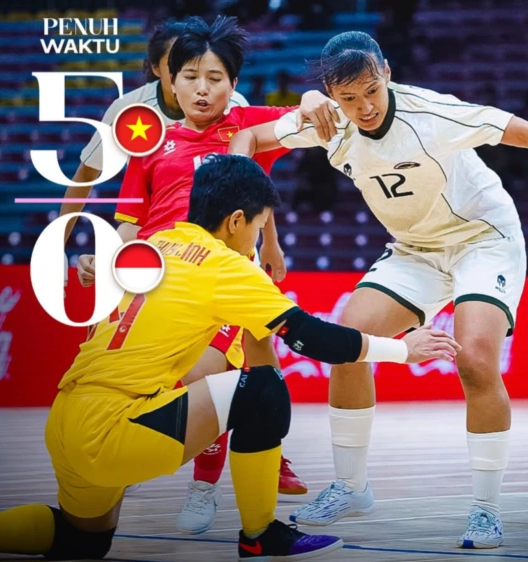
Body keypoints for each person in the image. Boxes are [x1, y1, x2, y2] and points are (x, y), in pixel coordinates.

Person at [229, 31, 528, 549]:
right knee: (348, 342)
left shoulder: (433, 113)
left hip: (482, 238)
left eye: (371, 90)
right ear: (332, 95)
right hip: (416, 248)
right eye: (348, 98)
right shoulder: (329, 122)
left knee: (476, 360)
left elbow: (519, 130)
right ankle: (352, 487)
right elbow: (251, 140)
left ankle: (486, 510)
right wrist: (245, 192)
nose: (363, 106)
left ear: (387, 73)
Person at [0, 154, 460, 561]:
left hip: (66, 421)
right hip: (115, 431)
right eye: (260, 226)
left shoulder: (153, 245)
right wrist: (402, 348)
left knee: (82, 540)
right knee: (264, 390)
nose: (258, 239)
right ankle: (260, 535)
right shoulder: (228, 265)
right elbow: (310, 338)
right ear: (236, 221)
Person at [73, 15, 339, 534]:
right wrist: (106, 264)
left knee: (214, 374)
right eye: (190, 76)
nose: (201, 88)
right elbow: (130, 225)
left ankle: (205, 487)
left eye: (215, 78)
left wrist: (310, 98)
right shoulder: (149, 143)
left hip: (218, 281)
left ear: (233, 85)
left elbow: (305, 114)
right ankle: (95, 505)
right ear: (168, 82)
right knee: (137, 389)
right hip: (153, 284)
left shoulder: (248, 129)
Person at [58, 18, 251, 245]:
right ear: (157, 68)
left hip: (224, 233)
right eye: (176, 64)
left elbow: (254, 179)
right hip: (157, 235)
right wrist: (57, 245)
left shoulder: (234, 104)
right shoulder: (128, 110)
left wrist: (270, 240)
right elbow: (87, 173)